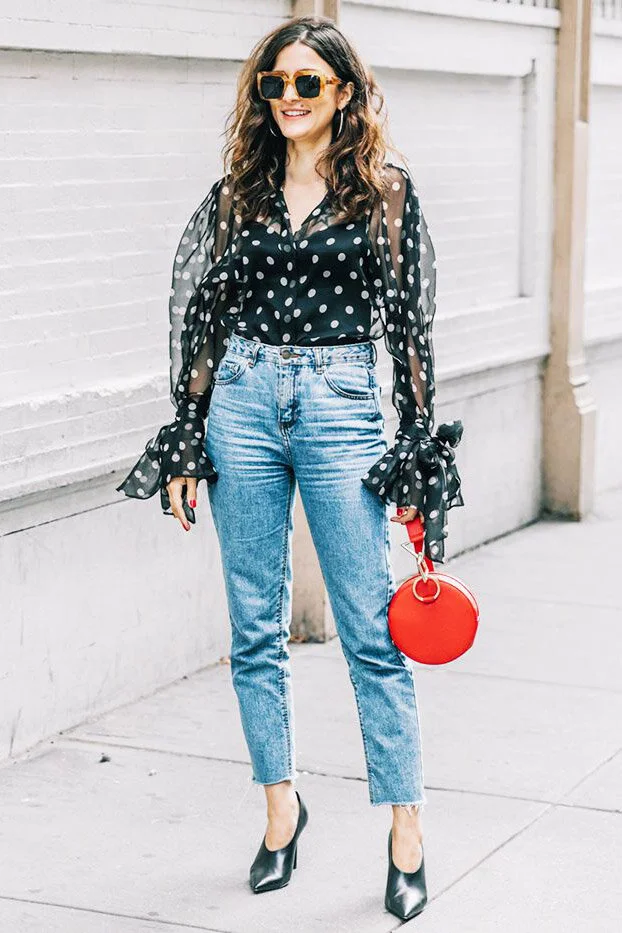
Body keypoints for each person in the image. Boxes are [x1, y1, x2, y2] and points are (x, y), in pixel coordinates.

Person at [116, 13, 464, 922]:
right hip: (240, 400)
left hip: (344, 408)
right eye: (275, 84)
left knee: (370, 633)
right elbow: (199, 317)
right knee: (255, 626)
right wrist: (188, 436)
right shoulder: (238, 192)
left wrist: (418, 455)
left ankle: (406, 830)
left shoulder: (387, 193)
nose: (288, 100)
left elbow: (413, 336)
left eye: (307, 83)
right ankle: (281, 812)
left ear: (343, 92)